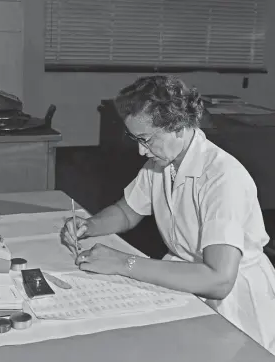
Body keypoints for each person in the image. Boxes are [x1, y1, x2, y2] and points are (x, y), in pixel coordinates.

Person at [61, 75, 275, 355]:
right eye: (135, 138)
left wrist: (123, 263)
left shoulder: (223, 178)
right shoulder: (160, 164)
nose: (140, 150)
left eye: (146, 139)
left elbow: (219, 280)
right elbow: (127, 211)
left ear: (179, 127)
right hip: (185, 279)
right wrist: (90, 225)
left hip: (235, 305)